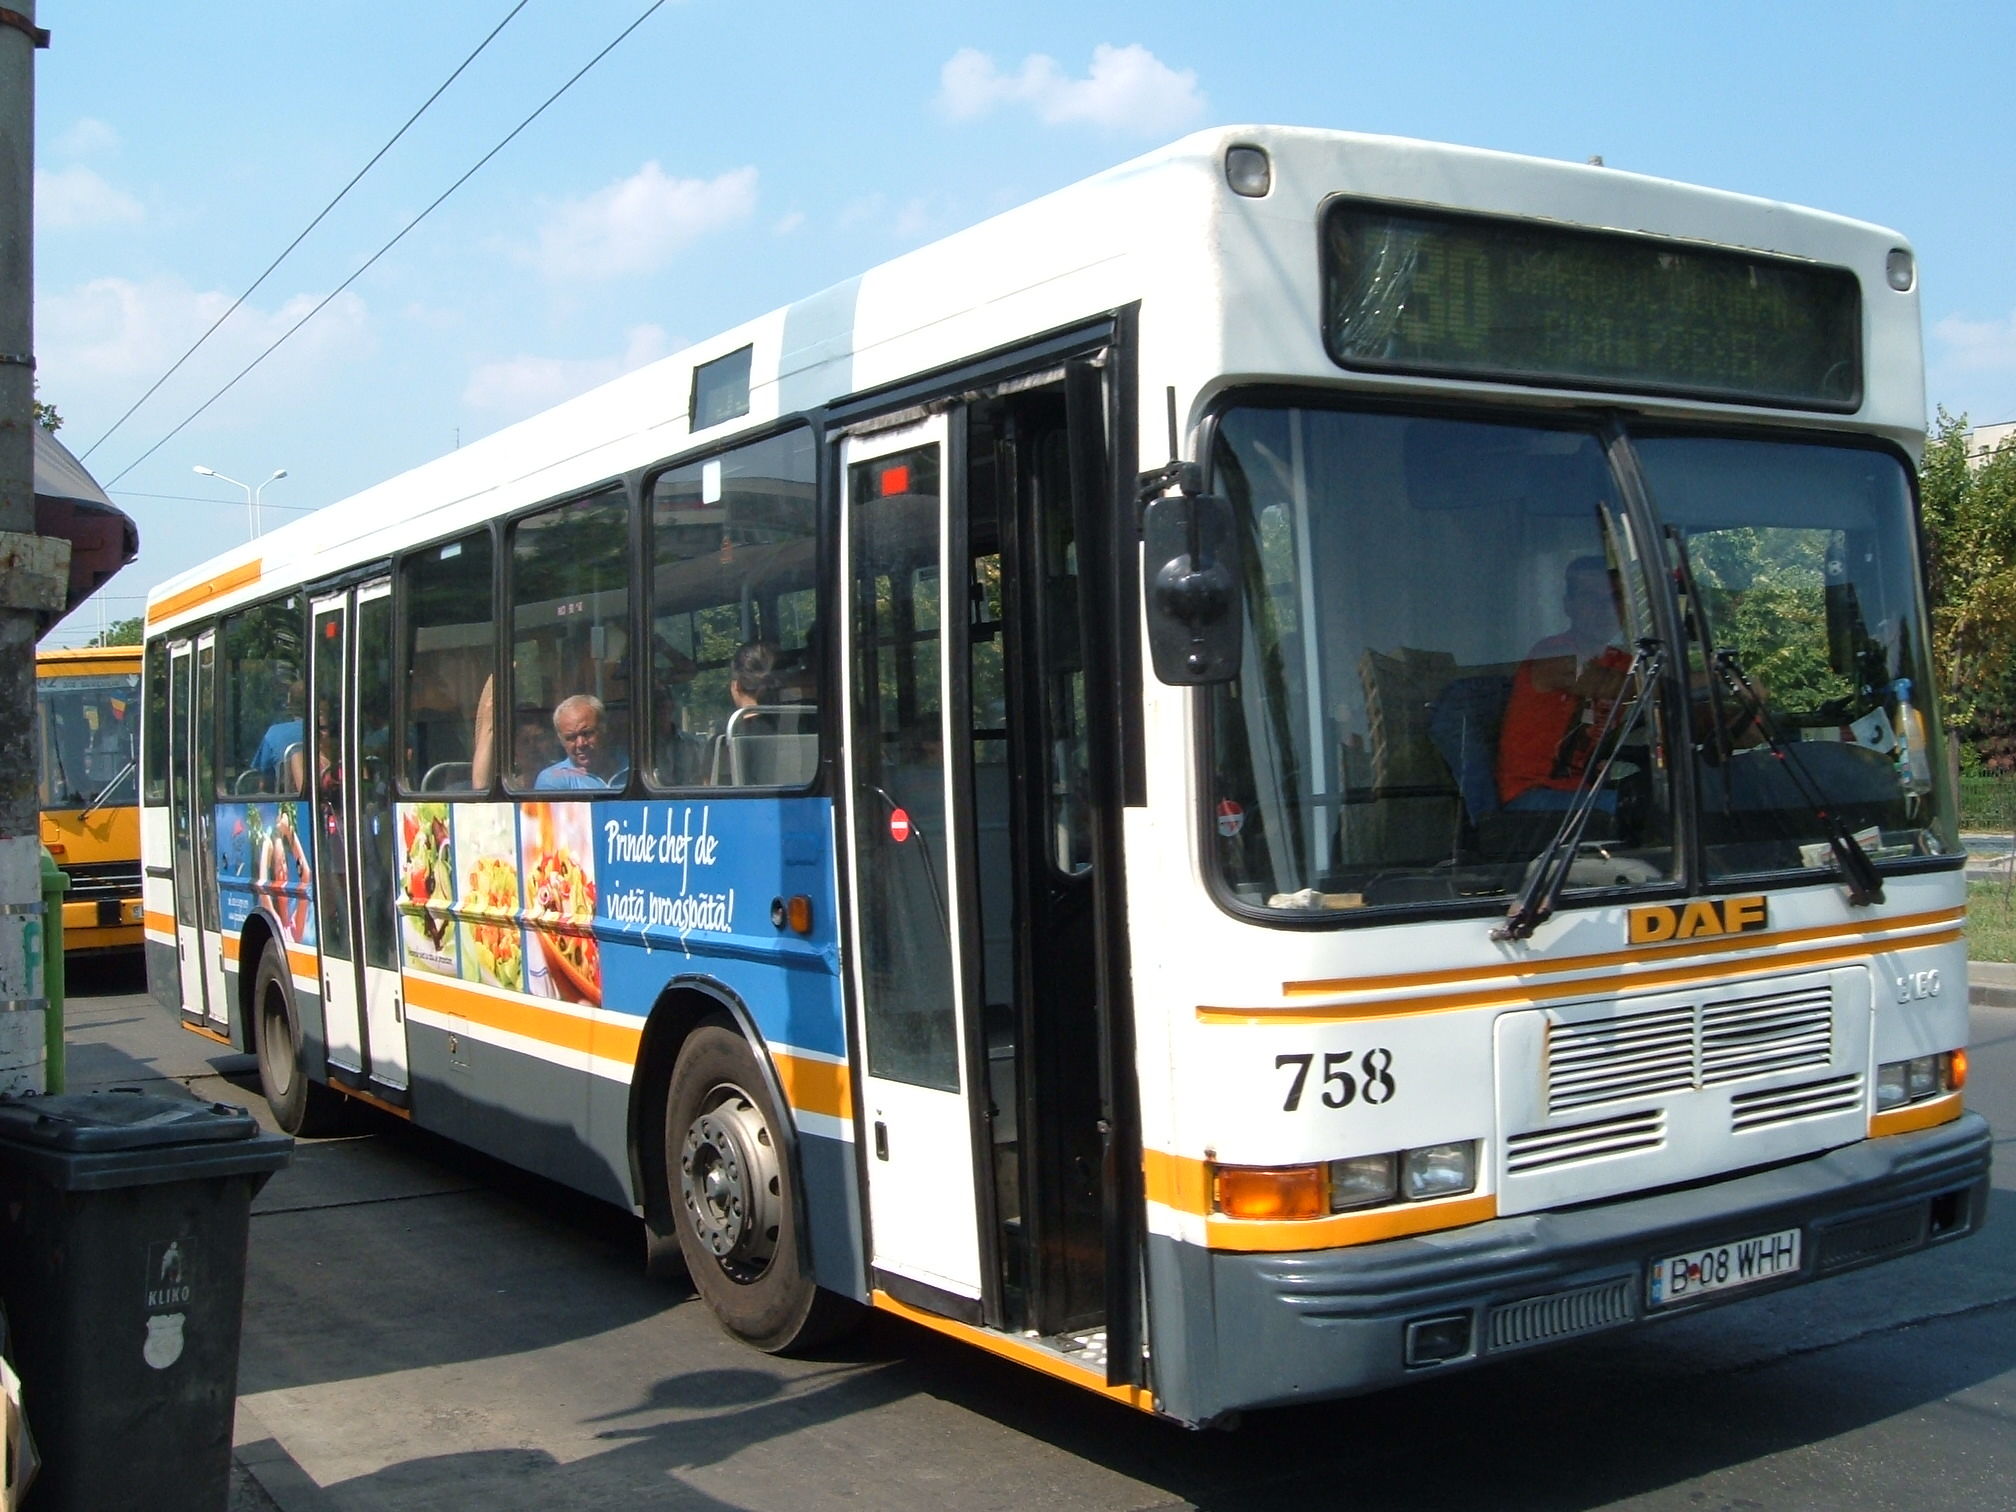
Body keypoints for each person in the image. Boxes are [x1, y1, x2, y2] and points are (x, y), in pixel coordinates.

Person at [1496, 555, 1634, 811]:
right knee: (1641, 809)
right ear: (1568, 606)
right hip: (1534, 798)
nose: (1605, 609)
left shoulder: (1619, 660)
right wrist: (1678, 683)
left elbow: (1657, 685)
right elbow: (1624, 685)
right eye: (1591, 598)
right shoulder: (1552, 656)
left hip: (1586, 793)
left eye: (1614, 598)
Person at [534, 693, 621, 789]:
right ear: (561, 741)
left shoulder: (632, 767)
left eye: (586, 733)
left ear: (605, 730)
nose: (580, 744)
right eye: (571, 737)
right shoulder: (552, 779)